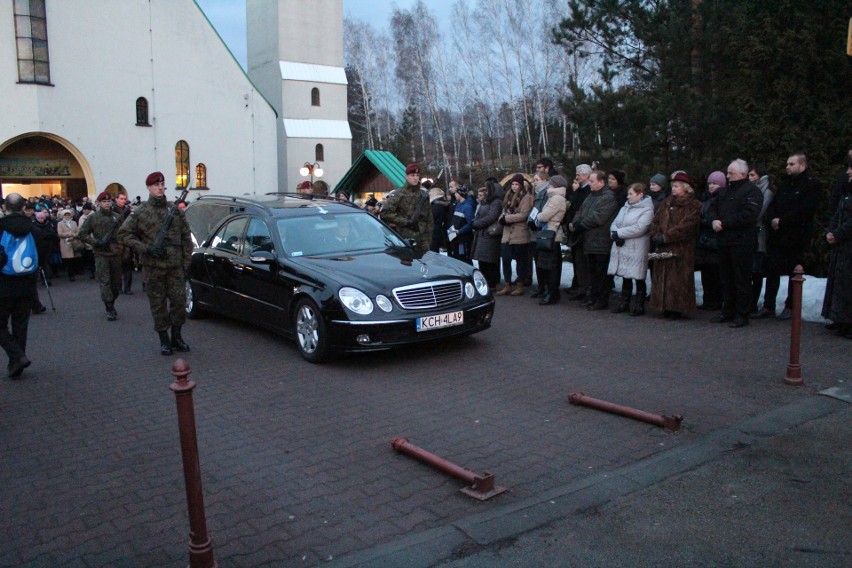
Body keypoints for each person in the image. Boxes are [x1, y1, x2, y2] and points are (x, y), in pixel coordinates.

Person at [118, 171, 194, 355]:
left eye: (162, 184)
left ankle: (177, 337)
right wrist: (146, 248)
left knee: (178, 302)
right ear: (149, 188)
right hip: (154, 267)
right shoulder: (141, 212)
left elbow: (186, 237)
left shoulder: (174, 210)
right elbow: (123, 234)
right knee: (158, 304)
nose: (160, 188)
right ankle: (164, 339)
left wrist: (186, 263)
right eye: (155, 185)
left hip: (175, 266)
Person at [758, 153, 821, 320]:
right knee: (772, 270)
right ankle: (768, 306)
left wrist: (783, 221)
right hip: (778, 235)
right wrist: (772, 219)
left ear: (802, 165)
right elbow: (774, 205)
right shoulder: (785, 184)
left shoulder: (811, 185)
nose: (787, 167)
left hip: (796, 236)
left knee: (795, 272)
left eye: (791, 164)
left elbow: (805, 211)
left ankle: (791, 306)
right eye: (787, 163)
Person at [710, 159, 763, 328]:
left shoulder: (752, 192)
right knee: (725, 278)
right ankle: (728, 311)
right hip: (724, 241)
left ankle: (742, 314)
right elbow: (712, 207)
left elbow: (748, 215)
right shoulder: (724, 191)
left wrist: (724, 223)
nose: (727, 176)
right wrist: (713, 221)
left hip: (742, 242)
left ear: (742, 173)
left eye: (731, 173)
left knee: (741, 279)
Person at [649, 171, 702, 318]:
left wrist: (667, 237)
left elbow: (687, 226)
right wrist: (656, 235)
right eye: (672, 186)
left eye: (676, 186)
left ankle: (677, 307)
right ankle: (663, 305)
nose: (673, 188)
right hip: (663, 246)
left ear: (685, 187)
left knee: (678, 279)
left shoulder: (693, 205)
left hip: (681, 248)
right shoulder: (666, 202)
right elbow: (656, 220)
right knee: (663, 277)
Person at [0, 193, 38, 378]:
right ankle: (17, 365)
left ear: (4, 207)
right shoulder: (31, 227)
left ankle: (17, 356)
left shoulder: (2, 226)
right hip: (27, 283)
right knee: (20, 325)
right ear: (23, 207)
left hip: (4, 284)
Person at [569, 170, 618, 310]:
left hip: (601, 241)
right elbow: (580, 211)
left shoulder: (608, 197)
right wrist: (575, 223)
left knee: (601, 273)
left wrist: (581, 224)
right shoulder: (590, 196)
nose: (589, 184)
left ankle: (602, 300)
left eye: (592, 181)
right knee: (592, 273)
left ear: (601, 182)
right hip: (588, 240)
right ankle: (593, 297)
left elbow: (598, 217)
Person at [608, 183, 654, 315]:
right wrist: (615, 233)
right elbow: (615, 222)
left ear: (640, 195)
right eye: (628, 194)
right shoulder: (625, 207)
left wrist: (619, 233)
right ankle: (624, 303)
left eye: (631, 194)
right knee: (625, 275)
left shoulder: (647, 210)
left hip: (636, 246)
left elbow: (641, 228)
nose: (628, 197)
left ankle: (639, 305)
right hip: (622, 245)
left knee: (638, 276)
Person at [79, 191, 125, 321]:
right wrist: (96, 243)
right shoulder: (92, 218)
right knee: (105, 281)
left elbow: (124, 233)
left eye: (109, 201)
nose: (107, 204)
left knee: (116, 283)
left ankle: (112, 302)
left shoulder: (117, 217)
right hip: (101, 254)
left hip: (115, 253)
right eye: (104, 202)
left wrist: (122, 247)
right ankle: (109, 307)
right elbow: (82, 234)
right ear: (99, 203)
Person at [821, 159, 852, 338]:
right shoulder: (846, 193)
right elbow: (838, 214)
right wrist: (830, 231)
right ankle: (840, 319)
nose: (848, 172)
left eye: (850, 168)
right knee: (839, 283)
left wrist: (837, 233)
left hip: (848, 245)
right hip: (842, 247)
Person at [380, 164, 433, 254]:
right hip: (405, 239)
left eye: (417, 175)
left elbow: (429, 219)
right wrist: (405, 221)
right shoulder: (399, 194)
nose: (415, 178)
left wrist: (429, 239)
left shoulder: (423, 195)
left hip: (422, 241)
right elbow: (385, 213)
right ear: (406, 177)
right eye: (412, 175)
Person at [496, 174, 533, 296]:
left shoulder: (526, 197)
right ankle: (507, 284)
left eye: (516, 184)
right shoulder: (508, 197)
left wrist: (507, 218)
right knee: (505, 259)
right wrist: (502, 218)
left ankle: (520, 285)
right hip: (507, 233)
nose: (514, 186)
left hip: (519, 233)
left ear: (521, 185)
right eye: (512, 184)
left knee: (520, 261)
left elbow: (524, 214)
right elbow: (503, 212)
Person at [534, 175, 567, 305]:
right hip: (550, 233)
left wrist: (539, 216)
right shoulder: (554, 197)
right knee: (548, 266)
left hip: (551, 234)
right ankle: (551, 292)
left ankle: (552, 293)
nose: (548, 185)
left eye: (551, 183)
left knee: (551, 267)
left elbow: (544, 215)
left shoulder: (556, 198)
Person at [695, 171, 725, 311]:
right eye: (710, 183)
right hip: (704, 239)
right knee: (706, 272)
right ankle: (708, 300)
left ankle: (717, 300)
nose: (712, 186)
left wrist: (708, 221)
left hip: (715, 239)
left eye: (715, 183)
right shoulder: (706, 199)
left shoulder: (722, 198)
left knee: (716, 272)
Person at [748, 163, 774, 316]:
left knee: (756, 270)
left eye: (752, 175)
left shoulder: (767, 192)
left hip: (759, 235)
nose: (750, 178)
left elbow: (759, 212)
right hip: (750, 233)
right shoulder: (753, 190)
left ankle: (753, 304)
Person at [564, 164, 593, 299]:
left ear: (587, 175)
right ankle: (580, 287)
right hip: (574, 229)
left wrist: (575, 224)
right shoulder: (578, 191)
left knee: (583, 264)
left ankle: (584, 289)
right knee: (577, 262)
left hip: (583, 231)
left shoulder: (588, 192)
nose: (576, 177)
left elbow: (582, 211)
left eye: (578, 175)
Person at [470, 182, 503, 290]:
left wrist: (477, 223)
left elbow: (491, 216)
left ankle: (492, 282)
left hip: (490, 234)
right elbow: (479, 214)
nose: (486, 192)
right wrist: (475, 221)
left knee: (489, 261)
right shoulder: (485, 202)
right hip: (482, 234)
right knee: (482, 261)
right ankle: (485, 281)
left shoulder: (496, 202)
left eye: (488, 190)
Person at [112, 192, 135, 294]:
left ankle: (127, 288)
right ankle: (118, 287)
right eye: (121, 199)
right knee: (117, 267)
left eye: (124, 199)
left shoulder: (128, 211)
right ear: (116, 199)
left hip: (127, 241)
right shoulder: (112, 211)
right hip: (117, 242)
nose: (123, 201)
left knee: (128, 266)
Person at [448, 184, 475, 264]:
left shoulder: (467, 206)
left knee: (463, 258)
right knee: (457, 258)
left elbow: (470, 223)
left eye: (456, 193)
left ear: (461, 194)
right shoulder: (458, 204)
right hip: (456, 237)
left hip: (463, 239)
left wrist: (460, 231)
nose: (455, 194)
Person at [57, 208, 81, 281]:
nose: (67, 216)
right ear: (63, 216)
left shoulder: (74, 223)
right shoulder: (60, 223)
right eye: (65, 215)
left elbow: (78, 232)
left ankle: (75, 272)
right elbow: (60, 233)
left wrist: (74, 235)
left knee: (75, 258)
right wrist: (68, 234)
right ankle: (70, 275)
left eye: (68, 215)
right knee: (68, 260)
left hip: (74, 241)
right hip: (65, 243)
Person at [428, 185, 451, 252]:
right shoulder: (443, 205)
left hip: (434, 233)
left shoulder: (436, 206)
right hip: (438, 232)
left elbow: (431, 218)